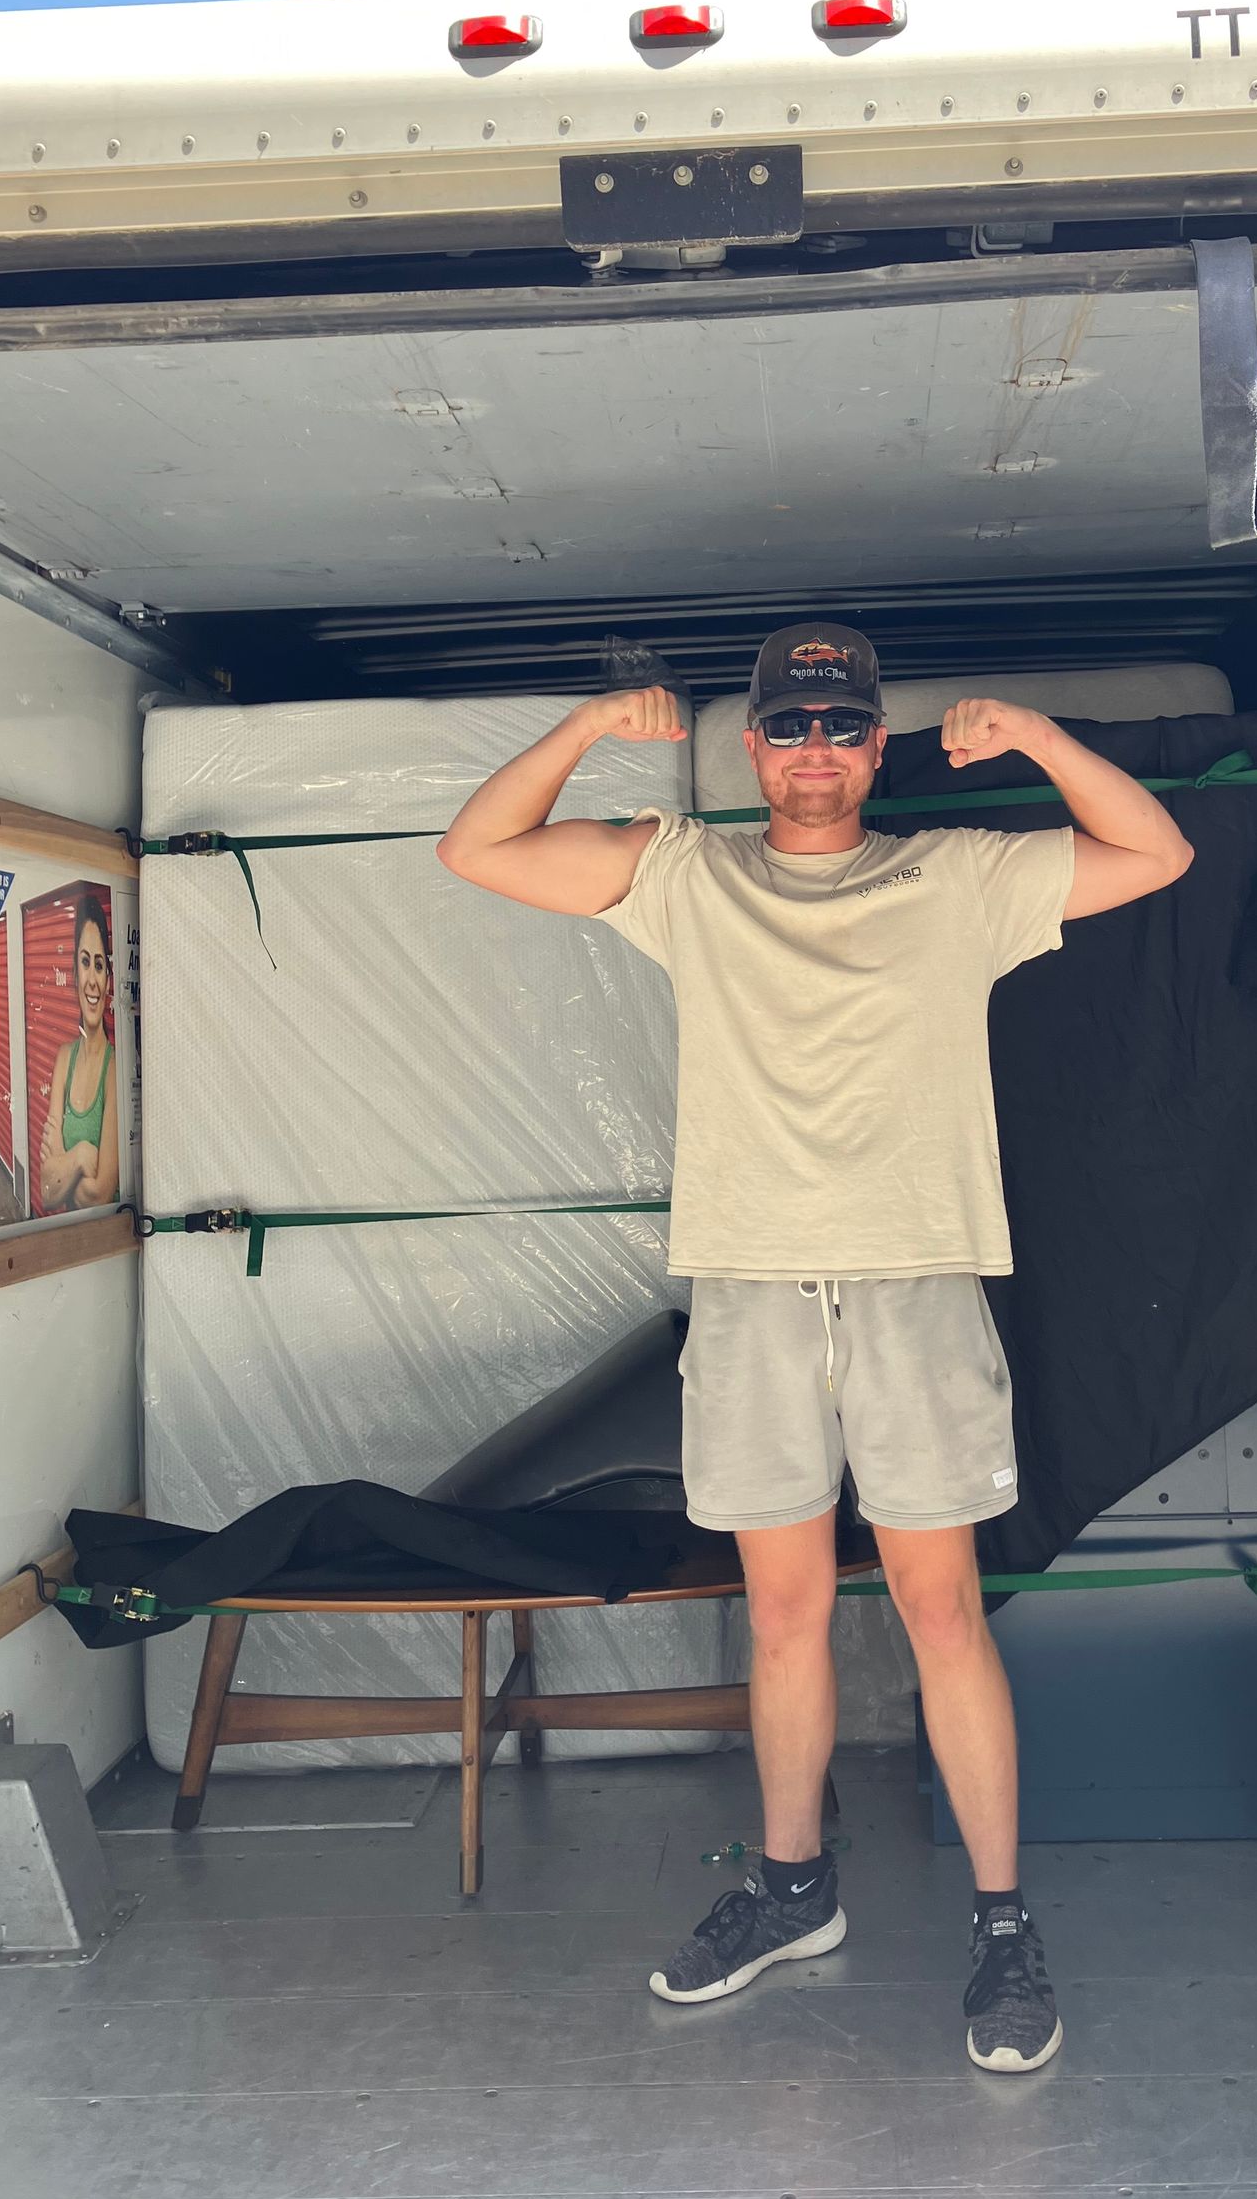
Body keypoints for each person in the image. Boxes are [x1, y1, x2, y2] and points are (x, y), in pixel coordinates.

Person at [437, 624, 1193, 2072]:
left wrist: (1037, 736)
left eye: (844, 727)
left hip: (916, 1284)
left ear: (877, 746)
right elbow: (478, 848)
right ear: (753, 746)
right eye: (789, 726)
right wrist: (591, 726)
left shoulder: (957, 876)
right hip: (752, 1289)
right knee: (781, 1614)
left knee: (941, 1611)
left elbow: (1155, 853)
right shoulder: (686, 874)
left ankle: (1002, 1926)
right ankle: (794, 1890)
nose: (816, 752)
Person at [37, 892, 120, 1213]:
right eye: (85, 962)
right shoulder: (64, 1059)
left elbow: (100, 1194)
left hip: (104, 1236)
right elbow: (46, 1191)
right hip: (68, 1232)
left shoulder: (114, 1068)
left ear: (108, 980)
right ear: (74, 973)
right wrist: (83, 1155)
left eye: (99, 965)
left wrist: (62, 1159)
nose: (92, 981)